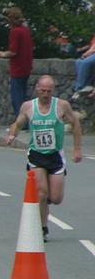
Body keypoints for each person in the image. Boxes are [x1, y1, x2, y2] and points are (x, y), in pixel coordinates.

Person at [6, 76, 84, 240]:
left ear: (53, 91)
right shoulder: (28, 106)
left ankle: (44, 204)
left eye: (49, 91)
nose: (45, 94)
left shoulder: (61, 106)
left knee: (55, 198)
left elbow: (76, 124)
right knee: (41, 194)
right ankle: (42, 228)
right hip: (36, 155)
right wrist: (12, 135)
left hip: (55, 156)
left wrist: (77, 149)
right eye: (42, 91)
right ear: (36, 88)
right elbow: (18, 123)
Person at [0, 7, 34, 119]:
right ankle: (27, 120)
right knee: (24, 96)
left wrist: (3, 54)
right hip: (27, 66)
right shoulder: (25, 30)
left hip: (17, 68)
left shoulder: (15, 32)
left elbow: (13, 51)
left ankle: (21, 121)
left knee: (17, 97)